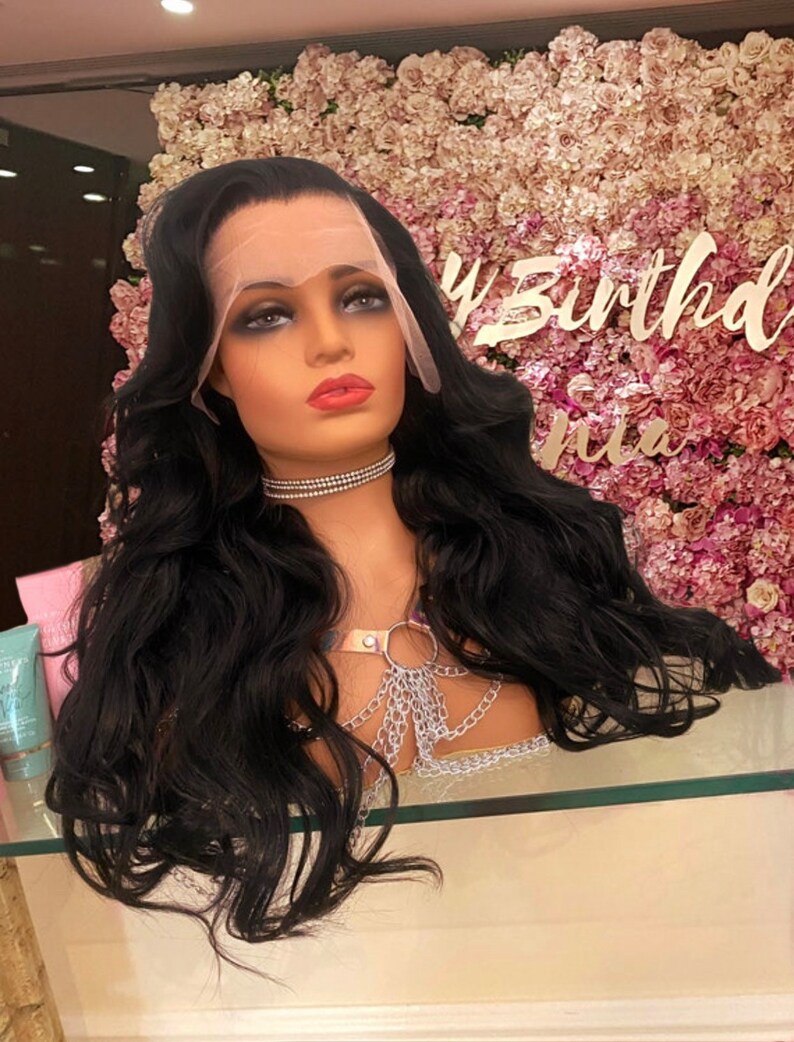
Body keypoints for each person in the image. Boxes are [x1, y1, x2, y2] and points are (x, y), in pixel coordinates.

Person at [45, 157, 781, 978]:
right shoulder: (182, 627)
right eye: (266, 315)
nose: (330, 343)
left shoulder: (533, 560)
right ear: (210, 369)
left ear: (406, 322)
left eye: (361, 298)